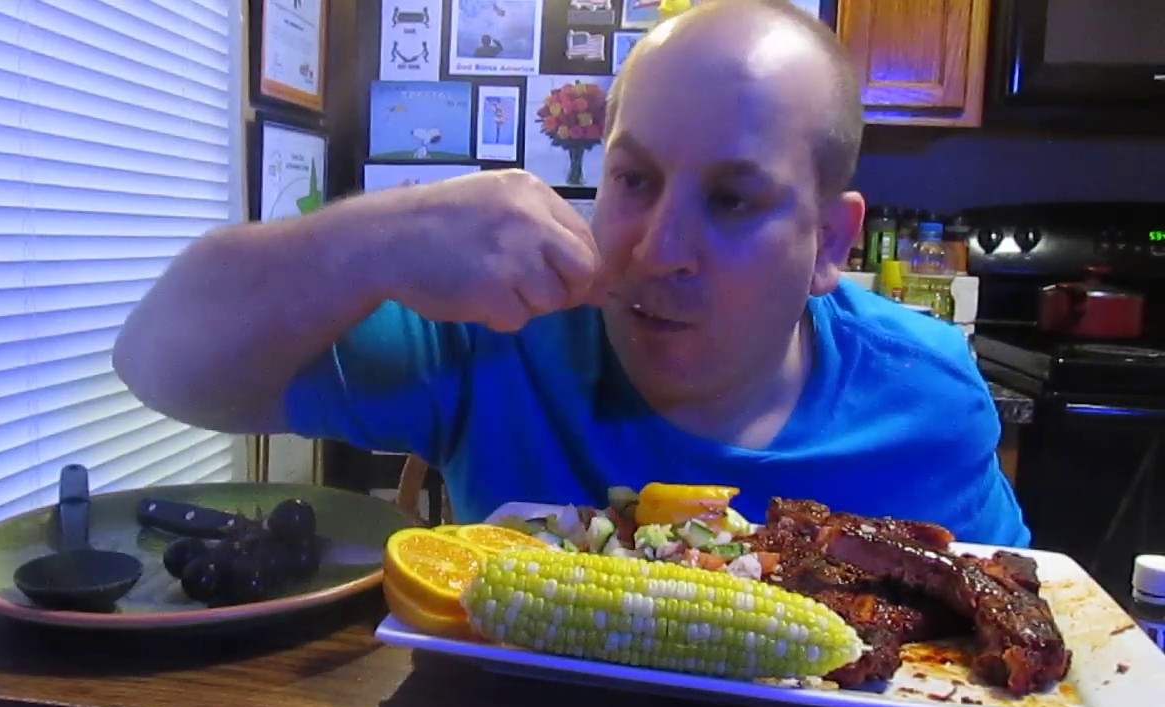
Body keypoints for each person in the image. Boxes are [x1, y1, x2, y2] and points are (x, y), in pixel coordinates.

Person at [113, 0, 1030, 546]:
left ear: (832, 242)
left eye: (734, 200)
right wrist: (380, 235)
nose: (658, 248)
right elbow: (161, 362)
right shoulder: (507, 333)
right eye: (634, 180)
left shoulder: (927, 397)